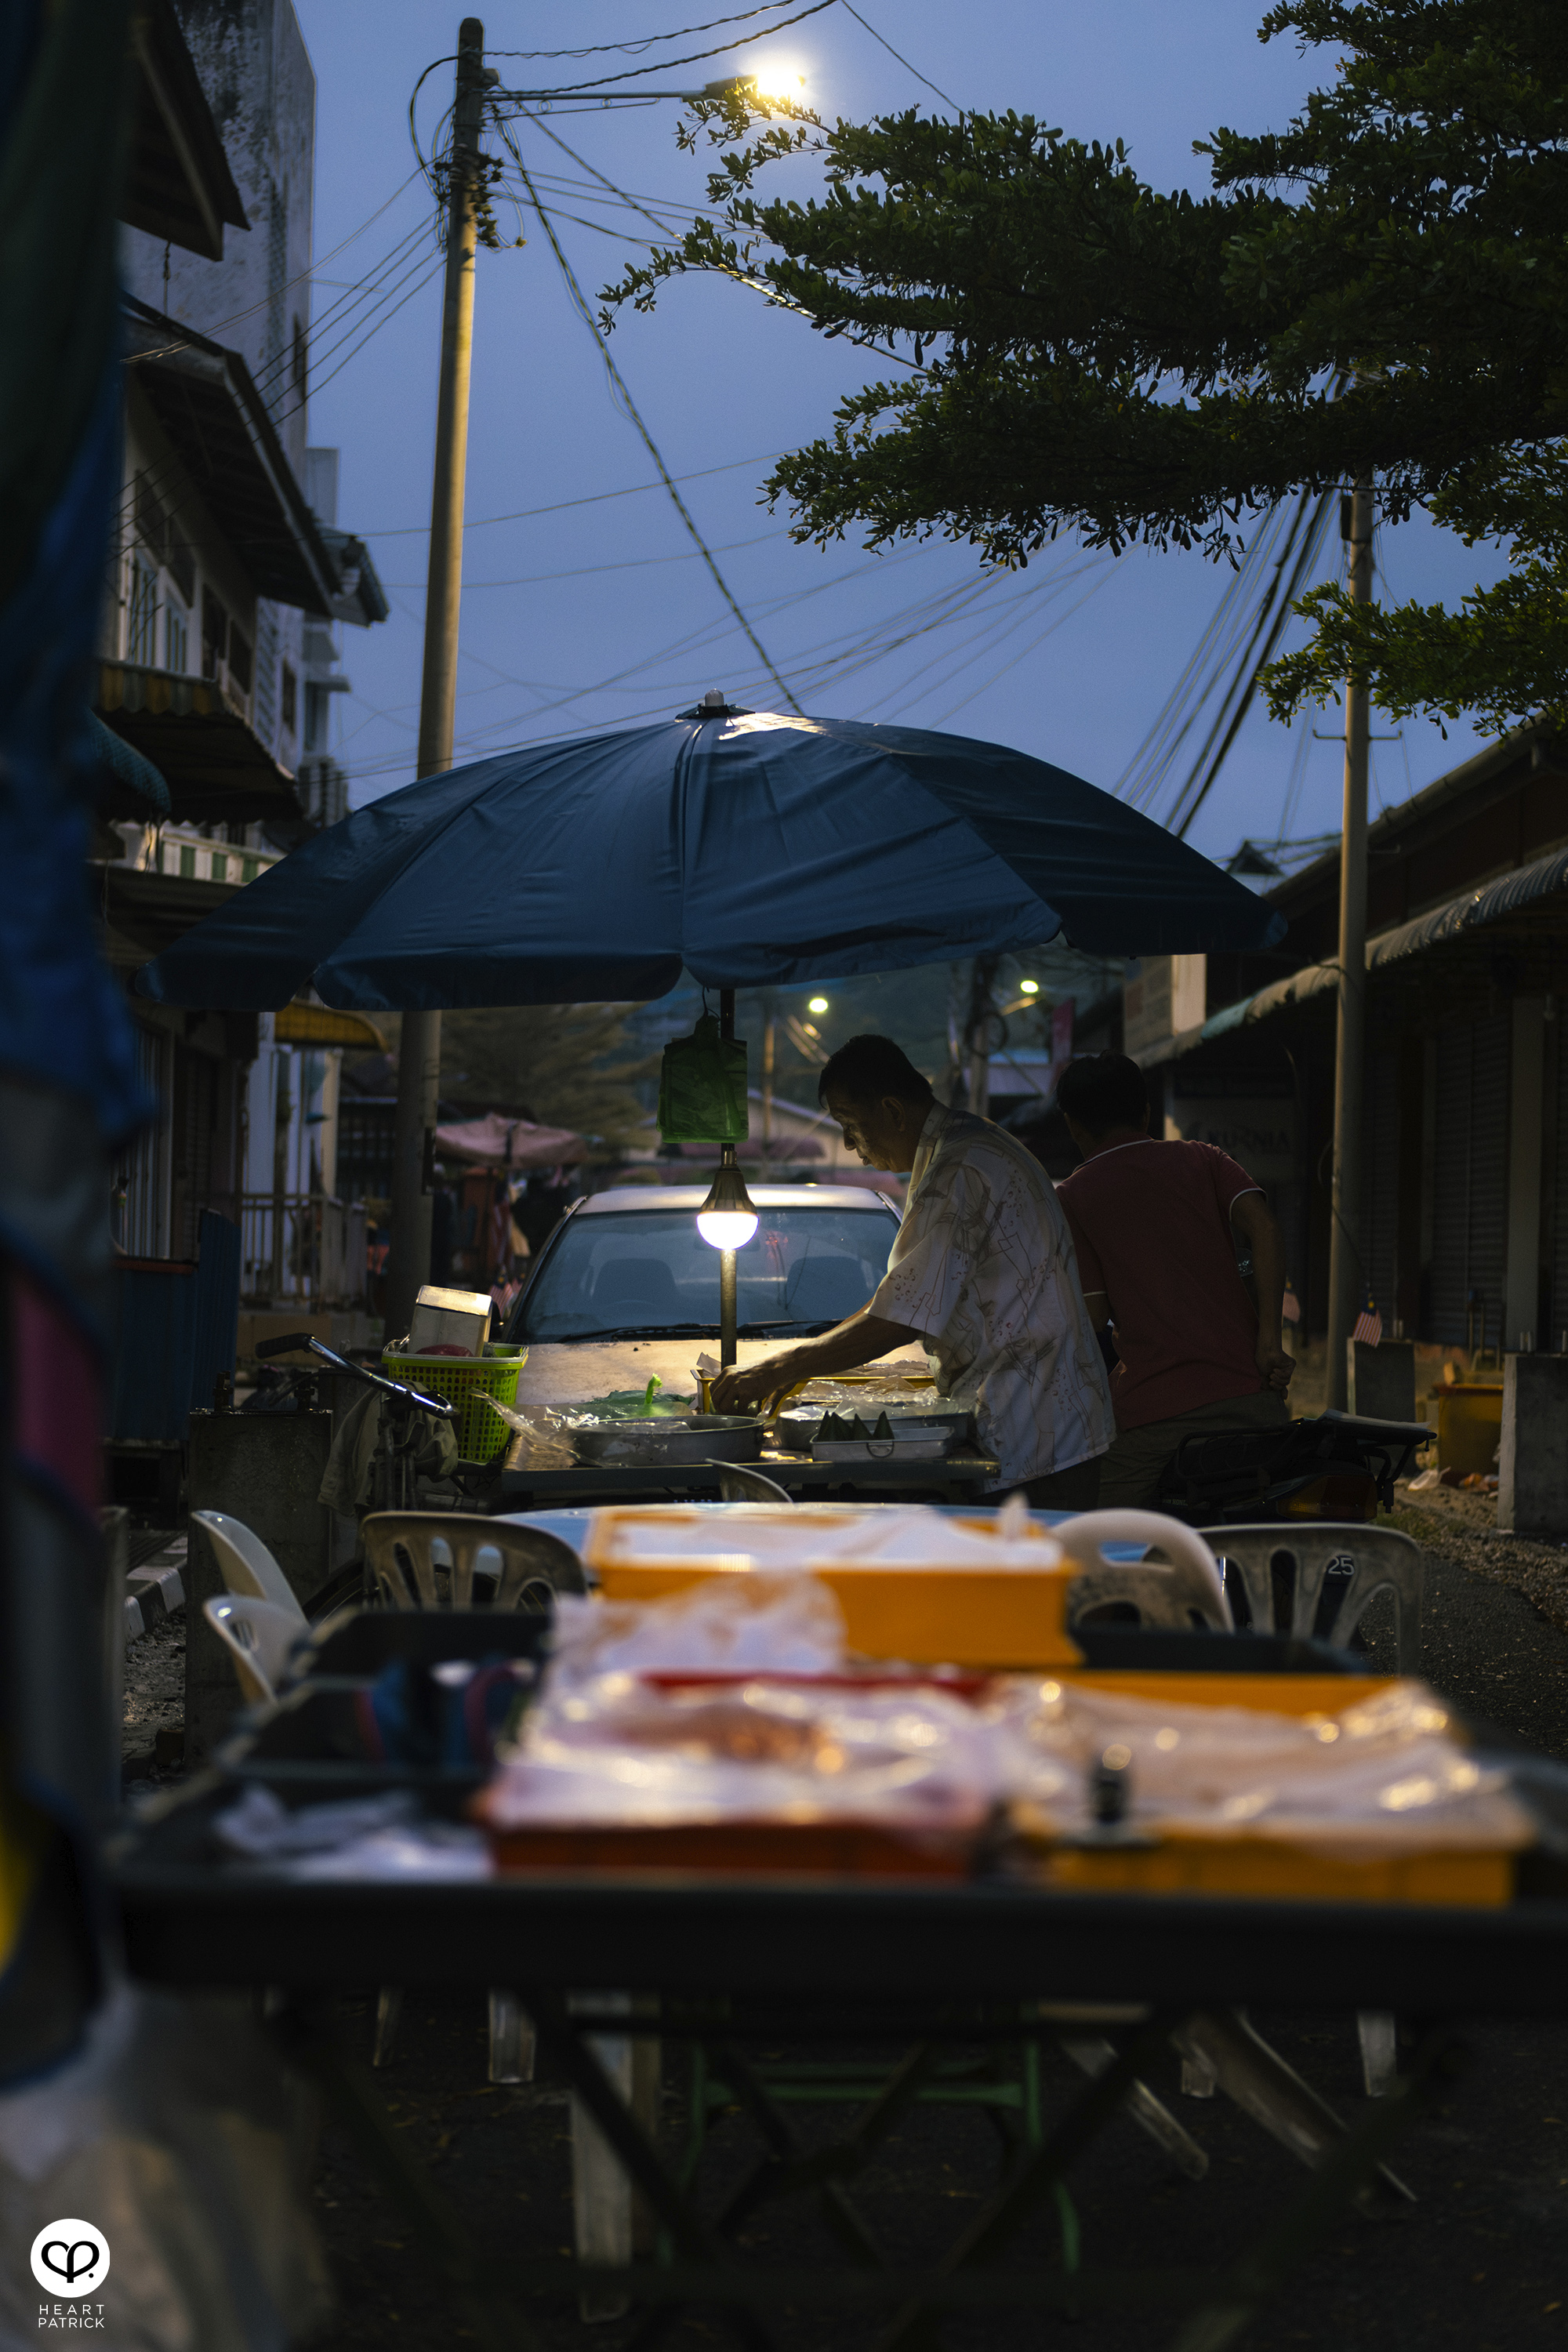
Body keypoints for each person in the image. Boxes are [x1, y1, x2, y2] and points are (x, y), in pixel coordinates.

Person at [710, 1033, 1114, 1507]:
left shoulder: (960, 1168)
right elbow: (902, 1294)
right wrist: (800, 1364)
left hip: (1035, 1428)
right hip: (1040, 1417)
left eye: (850, 1124)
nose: (848, 1143)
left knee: (1031, 1553)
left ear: (892, 1111)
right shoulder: (961, 1146)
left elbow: (899, 1318)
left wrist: (779, 1368)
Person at [1054, 1051, 1294, 1508]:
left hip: (1156, 1416)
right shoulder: (1204, 1158)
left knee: (1082, 1523)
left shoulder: (1073, 1196)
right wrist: (1269, 1342)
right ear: (1145, 1113)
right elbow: (1265, 1229)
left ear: (1073, 1125)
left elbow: (1094, 1315)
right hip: (1252, 1400)